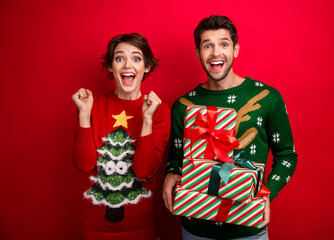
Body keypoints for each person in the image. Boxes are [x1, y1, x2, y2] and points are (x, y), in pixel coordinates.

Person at [163, 15, 297, 240]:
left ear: (235, 50)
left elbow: (286, 156)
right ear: (198, 53)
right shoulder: (183, 106)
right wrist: (171, 172)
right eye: (208, 45)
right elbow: (177, 156)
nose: (216, 52)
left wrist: (266, 194)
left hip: (247, 227)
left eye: (224, 44)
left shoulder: (267, 98)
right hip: (195, 227)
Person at [72, 33, 170, 240]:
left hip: (143, 232)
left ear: (147, 67)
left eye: (136, 58)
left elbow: (144, 170)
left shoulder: (159, 111)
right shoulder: (92, 104)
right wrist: (83, 113)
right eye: (119, 58)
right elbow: (83, 164)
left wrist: (147, 120)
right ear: (110, 67)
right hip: (92, 232)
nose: (127, 65)